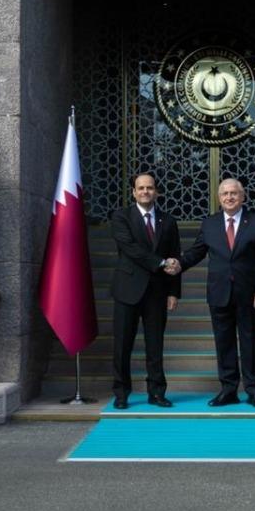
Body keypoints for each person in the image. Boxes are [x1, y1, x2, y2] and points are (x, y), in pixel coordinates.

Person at [171, 178, 255, 407]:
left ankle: (253, 390)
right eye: (225, 193)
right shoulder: (210, 224)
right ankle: (228, 390)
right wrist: (178, 264)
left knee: (249, 342)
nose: (229, 197)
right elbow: (196, 252)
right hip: (219, 294)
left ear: (243, 196)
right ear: (219, 198)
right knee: (224, 343)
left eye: (234, 193)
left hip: (249, 295)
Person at [108, 172, 180, 409]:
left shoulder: (168, 221)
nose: (145, 192)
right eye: (141, 188)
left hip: (157, 292)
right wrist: (160, 263)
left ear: (156, 191)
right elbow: (129, 248)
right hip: (127, 290)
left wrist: (173, 292)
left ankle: (157, 392)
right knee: (122, 346)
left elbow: (175, 257)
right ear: (133, 192)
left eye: (150, 188)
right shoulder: (121, 217)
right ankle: (121, 393)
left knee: (155, 345)